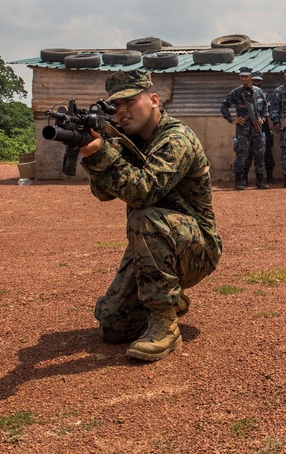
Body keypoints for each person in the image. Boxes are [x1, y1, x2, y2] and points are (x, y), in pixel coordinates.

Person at [79, 69, 222, 361]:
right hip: (157, 243)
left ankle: (166, 326)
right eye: (116, 106)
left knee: (144, 215)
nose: (122, 111)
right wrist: (98, 151)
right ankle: (172, 298)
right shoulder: (128, 141)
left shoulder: (177, 138)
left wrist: (103, 156)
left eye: (130, 102)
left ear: (154, 100)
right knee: (113, 325)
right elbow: (104, 193)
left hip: (196, 248)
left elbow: (143, 191)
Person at [220, 67, 268, 190]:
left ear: (251, 76)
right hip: (243, 129)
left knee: (260, 154)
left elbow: (264, 108)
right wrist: (232, 119)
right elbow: (224, 106)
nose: (244, 78)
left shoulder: (259, 92)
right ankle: (239, 181)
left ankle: (260, 181)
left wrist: (262, 117)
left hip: (257, 128)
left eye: (246, 76)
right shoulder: (236, 92)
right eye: (242, 76)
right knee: (241, 154)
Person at [252, 71, 276, 183]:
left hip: (264, 126)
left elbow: (271, 108)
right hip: (249, 126)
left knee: (267, 152)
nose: (256, 83)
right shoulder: (244, 93)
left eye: (258, 81)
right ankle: (242, 178)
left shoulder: (266, 95)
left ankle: (269, 176)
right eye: (254, 80)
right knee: (247, 153)